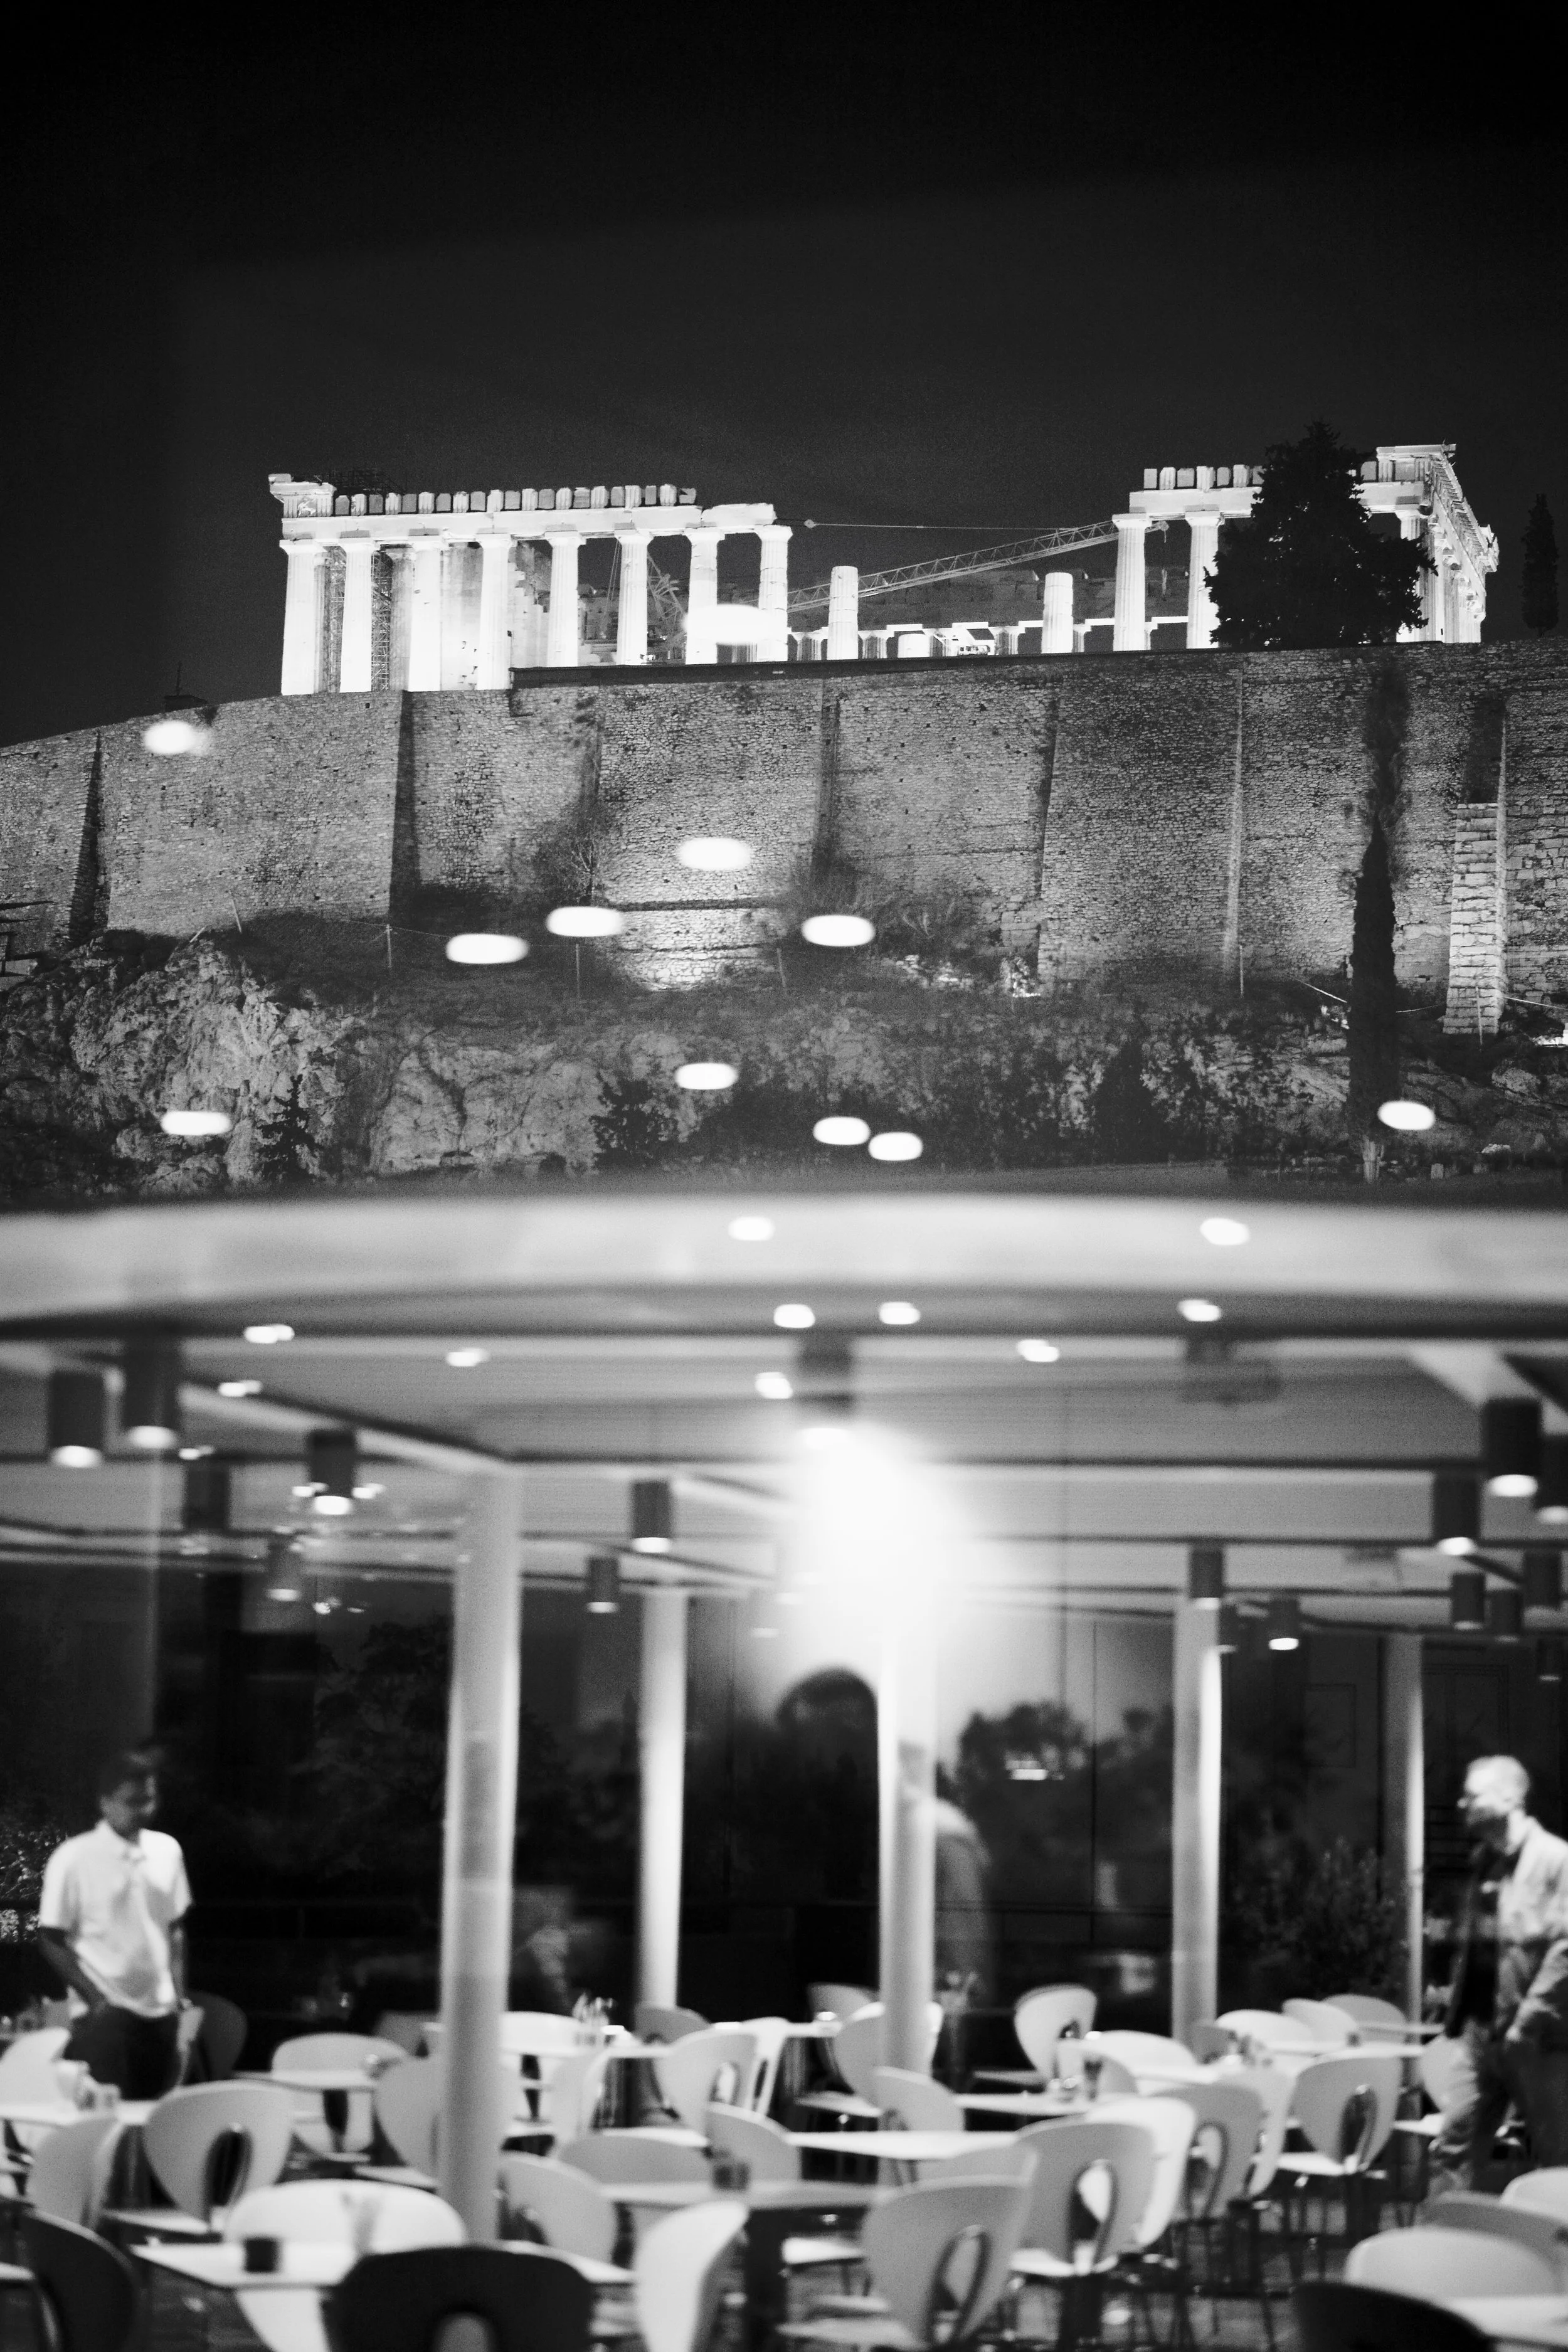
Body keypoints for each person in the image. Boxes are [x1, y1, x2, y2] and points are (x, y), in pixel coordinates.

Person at [1429, 1753, 1568, 2198]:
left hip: (1538, 2040)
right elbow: (1484, 1943)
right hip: (1481, 2034)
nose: (1461, 1803)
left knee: (1557, 2157)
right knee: (1453, 2146)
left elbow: (1566, 1947)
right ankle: (1443, 2253)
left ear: (1510, 1797)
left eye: (1474, 1794)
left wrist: (1529, 2021)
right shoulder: (1484, 1862)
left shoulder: (1556, 1860)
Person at [36, 1748, 191, 2099]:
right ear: (105, 1803)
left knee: (156, 2124)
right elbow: (49, 1938)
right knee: (109, 2126)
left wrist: (180, 1997)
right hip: (106, 2014)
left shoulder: (167, 1850)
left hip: (161, 2011)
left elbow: (175, 1928)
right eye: (132, 1802)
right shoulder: (74, 1857)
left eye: (149, 1800)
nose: (143, 1810)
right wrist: (96, 2001)